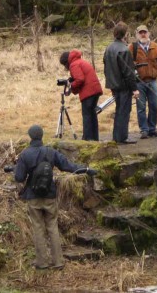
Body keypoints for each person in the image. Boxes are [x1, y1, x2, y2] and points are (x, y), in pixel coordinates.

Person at [14, 125, 97, 270]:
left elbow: (19, 177)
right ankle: (58, 261)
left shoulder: (25, 154)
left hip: (33, 197)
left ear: (30, 136)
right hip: (50, 195)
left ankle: (42, 263)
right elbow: (68, 167)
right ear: (41, 136)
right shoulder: (51, 152)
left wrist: (17, 168)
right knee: (52, 226)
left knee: (38, 228)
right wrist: (87, 169)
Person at [103, 22, 140, 144]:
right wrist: (134, 88)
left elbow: (106, 67)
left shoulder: (108, 48)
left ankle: (117, 136)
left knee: (119, 110)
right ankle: (122, 137)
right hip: (123, 86)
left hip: (113, 84)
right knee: (124, 111)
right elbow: (128, 73)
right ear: (125, 34)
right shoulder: (124, 50)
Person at [131, 25, 157, 139]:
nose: (143, 34)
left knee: (154, 106)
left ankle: (152, 129)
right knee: (141, 107)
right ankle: (144, 130)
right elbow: (128, 66)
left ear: (148, 33)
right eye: (140, 32)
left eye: (144, 32)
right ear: (137, 34)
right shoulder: (132, 48)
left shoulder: (156, 47)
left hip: (153, 81)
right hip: (139, 82)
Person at [60, 50, 103, 141]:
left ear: (66, 62)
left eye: (64, 65)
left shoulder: (74, 64)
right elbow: (81, 78)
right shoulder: (80, 61)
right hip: (95, 90)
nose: (66, 67)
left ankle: (87, 139)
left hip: (88, 92)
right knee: (92, 115)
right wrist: (72, 82)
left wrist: (70, 85)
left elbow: (80, 79)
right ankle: (94, 138)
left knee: (87, 115)